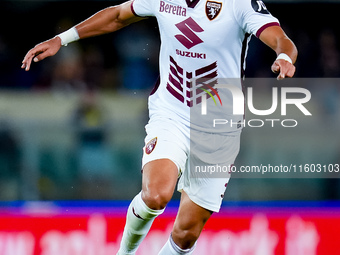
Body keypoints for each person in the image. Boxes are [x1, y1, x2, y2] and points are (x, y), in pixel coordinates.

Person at [22, 0, 297, 254]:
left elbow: (281, 39)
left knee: (186, 233)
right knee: (156, 195)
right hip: (172, 111)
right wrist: (62, 38)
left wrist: (284, 56)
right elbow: (119, 15)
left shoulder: (238, 3)